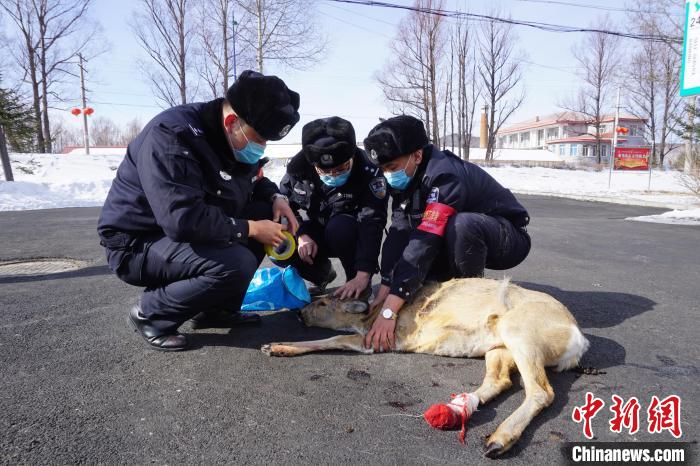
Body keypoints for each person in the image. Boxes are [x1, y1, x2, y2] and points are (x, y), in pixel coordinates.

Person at [97, 70, 300, 351]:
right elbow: (181, 220)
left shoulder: (231, 140)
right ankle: (151, 313)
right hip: (138, 241)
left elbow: (254, 178)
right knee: (236, 261)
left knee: (263, 212)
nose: (262, 147)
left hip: (180, 234)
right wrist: (251, 228)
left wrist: (276, 198)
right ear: (232, 122)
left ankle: (216, 309)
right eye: (259, 139)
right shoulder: (172, 137)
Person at [362, 115, 531, 352]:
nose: (388, 175)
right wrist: (386, 286)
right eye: (383, 169)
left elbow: (426, 240)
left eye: (392, 168)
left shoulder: (445, 176)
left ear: (417, 155)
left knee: (461, 225)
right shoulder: (406, 178)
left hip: (506, 238)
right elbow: (398, 232)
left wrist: (390, 310)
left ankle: (472, 303)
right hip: (461, 239)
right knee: (418, 270)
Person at [276, 116, 388, 299]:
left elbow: (372, 222)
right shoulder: (299, 170)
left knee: (340, 227)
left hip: (349, 234)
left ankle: (357, 284)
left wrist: (363, 274)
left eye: (342, 168)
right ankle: (320, 274)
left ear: (351, 156)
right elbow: (284, 206)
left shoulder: (369, 171)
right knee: (281, 244)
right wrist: (301, 234)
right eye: (325, 171)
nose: (333, 175)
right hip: (315, 232)